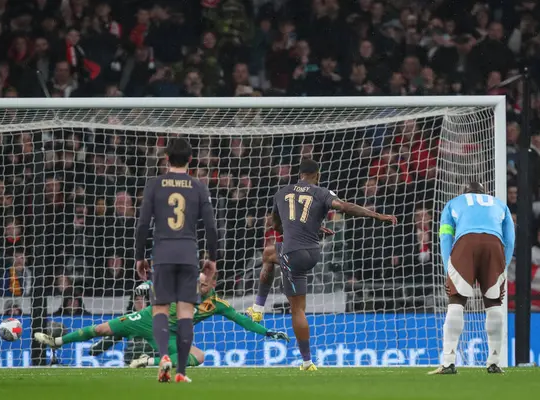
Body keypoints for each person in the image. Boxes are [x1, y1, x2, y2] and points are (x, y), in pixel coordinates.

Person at [263, 159, 396, 371]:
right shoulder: (321, 192)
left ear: (300, 174)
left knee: (273, 262)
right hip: (313, 253)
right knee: (297, 301)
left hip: (293, 253)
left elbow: (276, 226)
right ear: (317, 174)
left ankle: (260, 310)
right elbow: (344, 207)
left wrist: (297, 229)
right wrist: (377, 215)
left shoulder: (282, 192)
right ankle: (305, 360)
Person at [134, 138, 218, 383]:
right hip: (188, 254)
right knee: (185, 313)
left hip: (162, 254)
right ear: (191, 160)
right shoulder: (198, 186)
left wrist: (140, 256)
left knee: (160, 308)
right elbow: (211, 227)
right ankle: (181, 372)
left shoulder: (154, 184)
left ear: (166, 158)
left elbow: (142, 226)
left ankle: (163, 357)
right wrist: (212, 258)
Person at [84, 273, 289, 368]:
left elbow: (243, 321)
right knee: (127, 327)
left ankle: (147, 361)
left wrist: (267, 332)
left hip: (171, 336)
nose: (200, 285)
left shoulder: (217, 304)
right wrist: (146, 283)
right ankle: (96, 346)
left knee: (198, 357)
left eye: (204, 283)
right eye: (199, 281)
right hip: (152, 322)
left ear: (213, 284)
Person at [429, 182, 515, 375]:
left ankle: (449, 361)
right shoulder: (500, 204)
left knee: (456, 302)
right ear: (485, 193)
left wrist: (447, 267)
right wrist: (504, 264)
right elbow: (510, 238)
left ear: (464, 193)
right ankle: (494, 361)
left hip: (464, 243)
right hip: (495, 245)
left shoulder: (453, 203)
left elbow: (445, 237)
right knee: (493, 303)